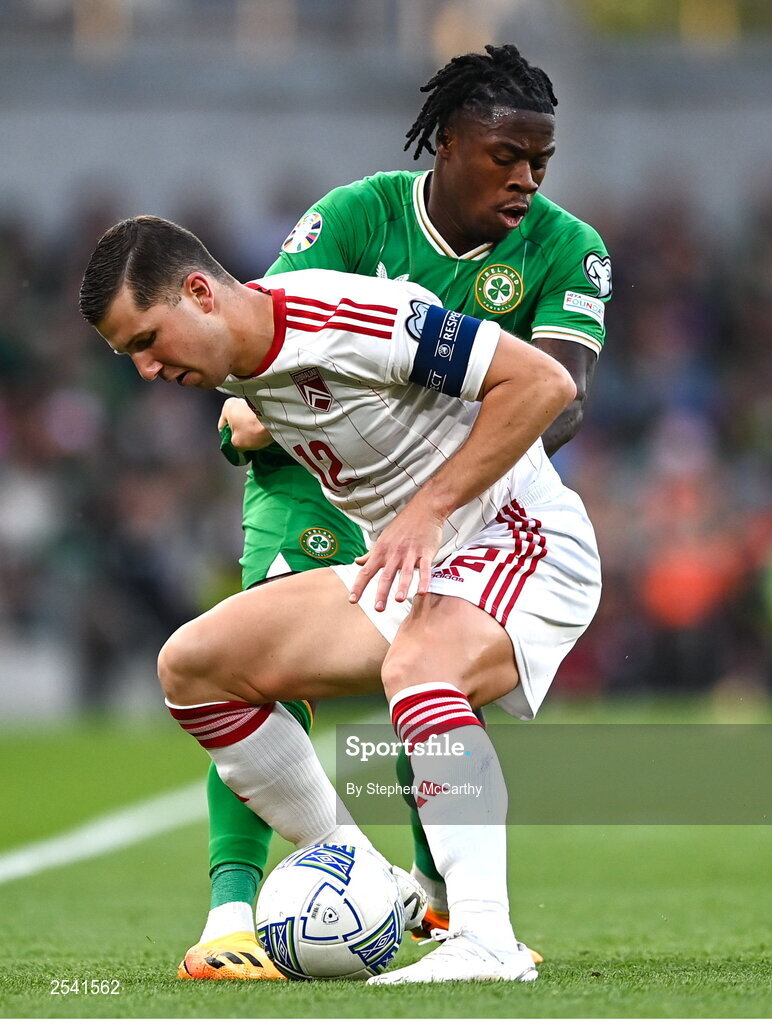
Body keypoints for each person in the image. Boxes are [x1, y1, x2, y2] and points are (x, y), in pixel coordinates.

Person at [79, 214, 602, 983]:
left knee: (419, 670)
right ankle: (368, 876)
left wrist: (427, 510)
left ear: (200, 293)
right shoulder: (234, 361)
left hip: (522, 539)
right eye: (130, 356)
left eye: (148, 341)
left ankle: (486, 938)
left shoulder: (339, 313)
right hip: (417, 570)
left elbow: (543, 383)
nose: (147, 370)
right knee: (194, 667)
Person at [186, 42, 611, 980]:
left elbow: (561, 399)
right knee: (239, 663)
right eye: (507, 156)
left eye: (542, 160)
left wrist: (442, 468)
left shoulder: (569, 247)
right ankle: (228, 913)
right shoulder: (355, 215)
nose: (527, 179)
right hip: (310, 477)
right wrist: (253, 409)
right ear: (448, 143)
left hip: (451, 490)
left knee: (431, 664)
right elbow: (268, 335)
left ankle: (442, 907)